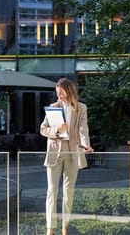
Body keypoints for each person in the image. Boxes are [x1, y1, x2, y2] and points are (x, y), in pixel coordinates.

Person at [39, 78, 93, 235]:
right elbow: (43, 129)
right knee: (52, 191)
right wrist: (57, 130)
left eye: (61, 93)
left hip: (72, 152)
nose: (59, 96)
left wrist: (86, 145)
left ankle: (65, 227)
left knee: (68, 192)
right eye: (57, 93)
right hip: (54, 151)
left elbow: (83, 129)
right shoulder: (53, 108)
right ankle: (50, 229)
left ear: (69, 91)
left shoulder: (81, 108)